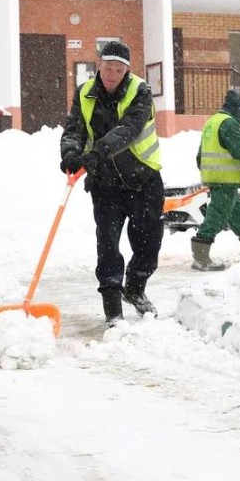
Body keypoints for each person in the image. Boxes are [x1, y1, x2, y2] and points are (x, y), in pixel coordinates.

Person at [59, 40, 163, 328]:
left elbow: (128, 129)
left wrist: (97, 152)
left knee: (148, 243)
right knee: (107, 243)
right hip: (105, 184)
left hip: (143, 178)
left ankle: (136, 287)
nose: (111, 75)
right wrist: (70, 153)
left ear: (127, 70)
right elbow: (75, 128)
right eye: (107, 69)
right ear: (99, 66)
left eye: (118, 70)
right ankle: (113, 309)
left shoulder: (140, 91)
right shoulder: (85, 93)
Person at [190, 90, 240, 271]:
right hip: (225, 179)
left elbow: (199, 156)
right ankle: (200, 258)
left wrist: (209, 173)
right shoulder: (228, 124)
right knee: (216, 217)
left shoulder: (213, 122)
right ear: (239, 108)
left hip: (219, 179)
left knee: (239, 218)